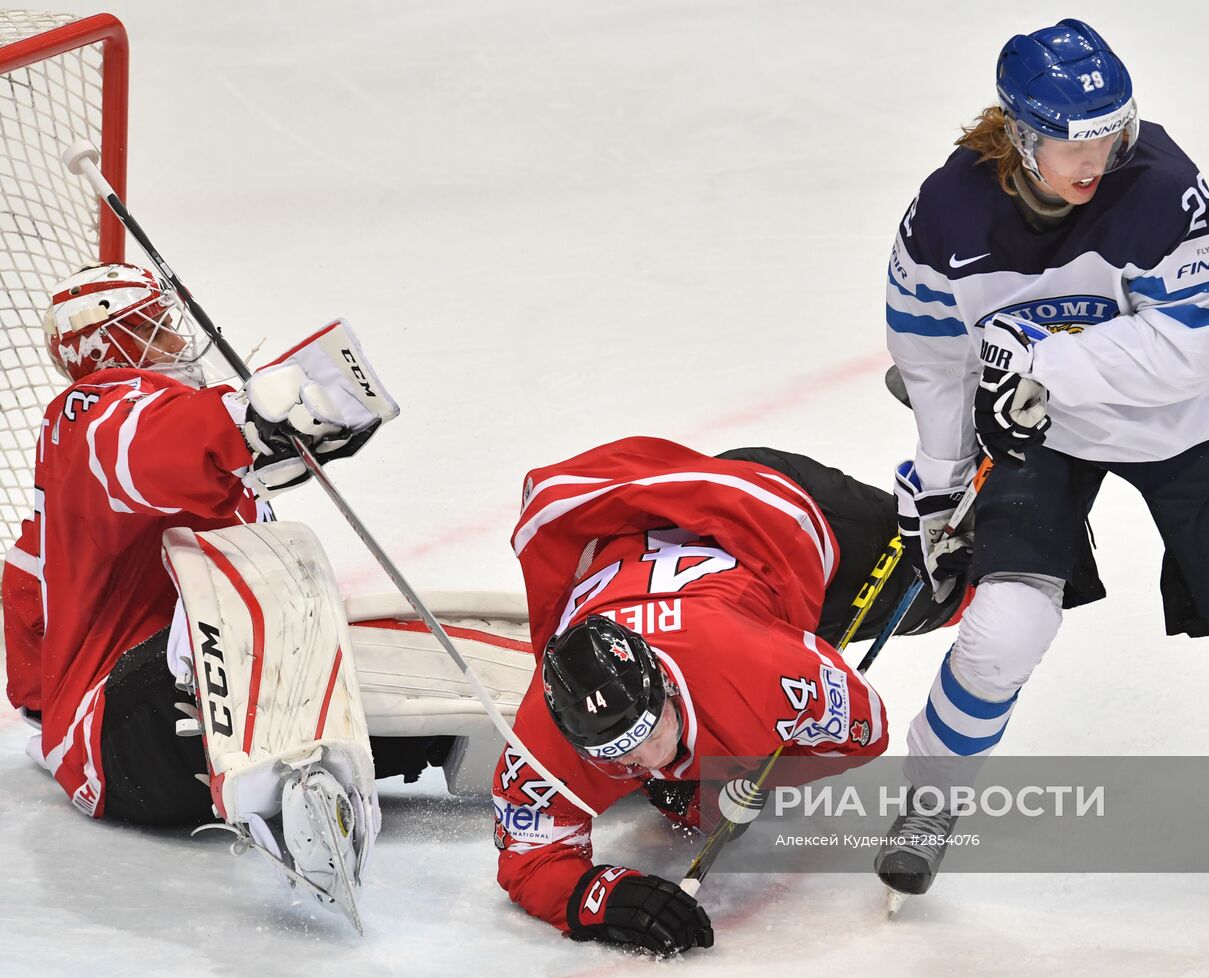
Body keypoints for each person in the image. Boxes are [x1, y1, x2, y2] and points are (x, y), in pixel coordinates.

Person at [877, 19, 1209, 900]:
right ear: (1019, 134)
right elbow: (928, 350)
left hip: (1194, 424)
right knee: (1007, 625)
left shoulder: (1161, 188)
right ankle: (930, 795)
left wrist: (1034, 362)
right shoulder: (945, 214)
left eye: (1111, 132)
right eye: (1076, 141)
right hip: (1051, 429)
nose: (1098, 157)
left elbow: (1187, 351)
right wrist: (940, 475)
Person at [1, 262, 458, 927]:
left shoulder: (93, 458)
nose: (170, 338)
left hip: (138, 752)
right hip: (134, 728)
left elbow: (22, 591)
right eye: (149, 327)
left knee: (360, 662)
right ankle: (284, 791)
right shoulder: (95, 410)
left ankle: (419, 749)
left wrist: (291, 436)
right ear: (105, 348)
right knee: (260, 593)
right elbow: (150, 448)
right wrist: (239, 421)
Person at [491, 437, 937, 956]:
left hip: (784, 509)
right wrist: (605, 899)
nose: (635, 764)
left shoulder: (764, 673)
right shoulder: (546, 733)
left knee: (965, 579)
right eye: (612, 755)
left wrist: (750, 769)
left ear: (672, 693)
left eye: (645, 737)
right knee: (697, 804)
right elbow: (530, 859)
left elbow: (866, 733)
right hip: (647, 526)